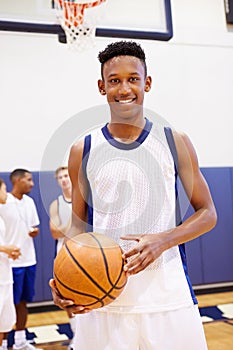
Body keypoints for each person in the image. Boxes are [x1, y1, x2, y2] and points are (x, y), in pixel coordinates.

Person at [50, 41, 217, 349]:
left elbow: (207, 213)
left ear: (147, 83)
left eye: (133, 78)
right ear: (102, 87)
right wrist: (65, 278)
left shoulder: (174, 141)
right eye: (114, 80)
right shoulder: (82, 149)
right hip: (102, 300)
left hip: (168, 296)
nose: (124, 88)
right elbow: (77, 225)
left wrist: (165, 239)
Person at [0, 169, 42, 350]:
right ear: (16, 180)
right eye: (28, 180)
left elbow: (35, 227)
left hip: (27, 259)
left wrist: (33, 232)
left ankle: (20, 341)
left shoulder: (30, 202)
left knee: (23, 301)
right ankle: (3, 343)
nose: (32, 184)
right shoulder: (3, 203)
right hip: (8, 263)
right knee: (7, 304)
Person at [49, 166, 76, 350]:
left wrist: (67, 227)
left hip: (86, 252)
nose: (64, 179)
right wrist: (75, 222)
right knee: (68, 296)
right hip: (64, 253)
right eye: (60, 177)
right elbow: (54, 232)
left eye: (66, 175)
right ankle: (75, 335)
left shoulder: (83, 198)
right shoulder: (56, 204)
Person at [0, 178, 21, 350]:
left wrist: (9, 251)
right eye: (3, 189)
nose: (6, 193)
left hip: (4, 274)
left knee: (4, 322)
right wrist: (6, 249)